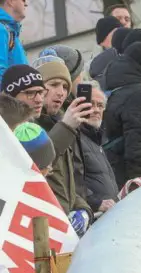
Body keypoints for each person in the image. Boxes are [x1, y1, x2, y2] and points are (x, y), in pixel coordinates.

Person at [34, 56, 93, 236]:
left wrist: (84, 211)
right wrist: (66, 126)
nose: (61, 92)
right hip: (44, 230)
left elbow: (68, 185)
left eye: (65, 87)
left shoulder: (61, 124)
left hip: (64, 230)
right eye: (54, 84)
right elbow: (37, 165)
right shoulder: (28, 128)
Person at [102, 41, 141, 187]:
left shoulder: (118, 86)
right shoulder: (139, 94)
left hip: (114, 175)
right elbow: (138, 142)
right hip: (131, 180)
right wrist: (140, 183)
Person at [74, 83, 118, 214]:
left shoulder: (96, 138)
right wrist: (95, 203)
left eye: (100, 106)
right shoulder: (75, 137)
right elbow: (73, 180)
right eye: (91, 104)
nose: (96, 110)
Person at [0, 0, 27, 79]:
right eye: (23, 0)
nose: (26, 4)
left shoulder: (11, 32)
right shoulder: (2, 30)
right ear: (11, 1)